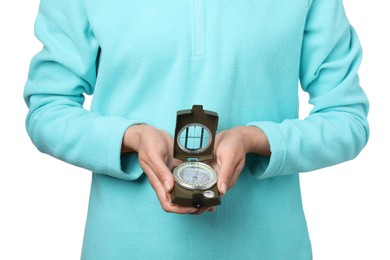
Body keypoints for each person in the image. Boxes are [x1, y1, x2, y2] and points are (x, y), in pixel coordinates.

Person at [24, 0, 369, 259]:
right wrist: (132, 137)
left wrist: (258, 140)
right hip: (126, 248)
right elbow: (48, 109)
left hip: (268, 247)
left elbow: (347, 118)